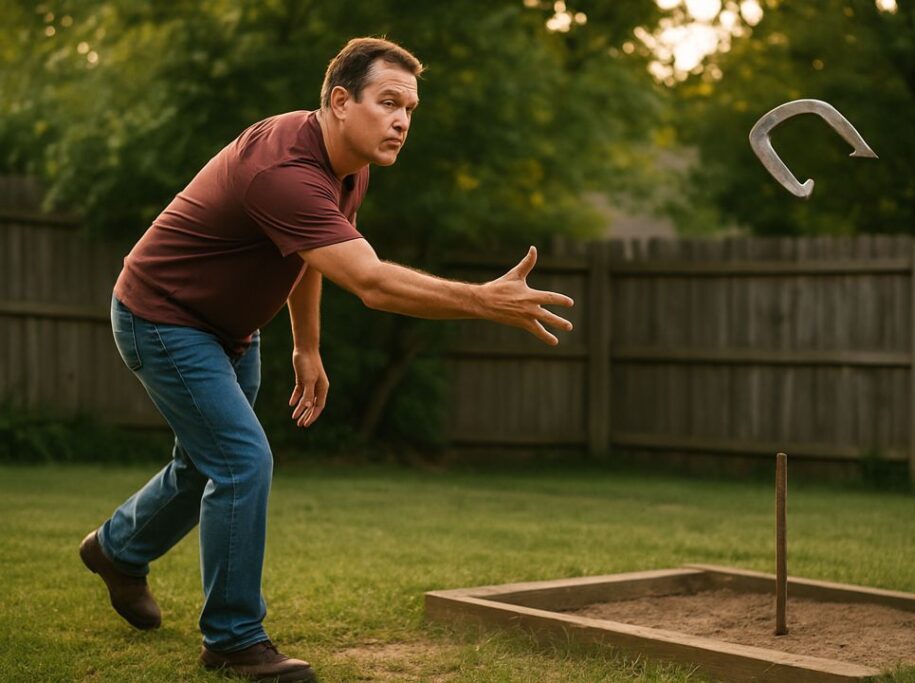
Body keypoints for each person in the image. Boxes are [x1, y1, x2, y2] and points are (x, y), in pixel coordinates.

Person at [79, 37, 574, 682]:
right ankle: (232, 639)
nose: (402, 120)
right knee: (239, 461)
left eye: (410, 108)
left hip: (230, 329)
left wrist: (307, 344)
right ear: (341, 102)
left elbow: (310, 252)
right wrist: (482, 300)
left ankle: (118, 550)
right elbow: (371, 282)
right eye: (388, 102)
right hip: (163, 317)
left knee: (205, 461)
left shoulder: (348, 164)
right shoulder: (282, 169)